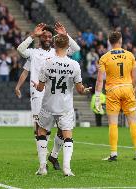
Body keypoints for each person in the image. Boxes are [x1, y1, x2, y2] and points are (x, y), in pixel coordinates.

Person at [15, 22, 80, 170]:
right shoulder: (33, 53)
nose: (47, 38)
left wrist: (65, 35)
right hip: (38, 93)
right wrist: (32, 35)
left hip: (56, 94)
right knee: (41, 129)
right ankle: (43, 162)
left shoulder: (56, 52)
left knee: (61, 128)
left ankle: (54, 155)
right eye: (44, 36)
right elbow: (20, 51)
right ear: (40, 37)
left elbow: (76, 49)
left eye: (50, 36)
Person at [34, 34, 90, 176]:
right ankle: (67, 168)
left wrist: (37, 85)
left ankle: (42, 167)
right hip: (65, 107)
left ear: (54, 45)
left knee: (41, 132)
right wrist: (84, 90)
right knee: (67, 136)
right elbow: (79, 89)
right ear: (68, 47)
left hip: (48, 105)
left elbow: (40, 88)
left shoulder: (47, 62)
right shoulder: (74, 65)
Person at [95, 31, 136, 161]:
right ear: (121, 41)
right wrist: (133, 89)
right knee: (133, 121)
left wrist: (97, 97)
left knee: (113, 123)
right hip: (128, 88)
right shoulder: (130, 55)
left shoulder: (104, 57)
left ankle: (113, 154)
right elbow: (135, 77)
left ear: (109, 42)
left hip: (113, 90)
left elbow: (100, 80)